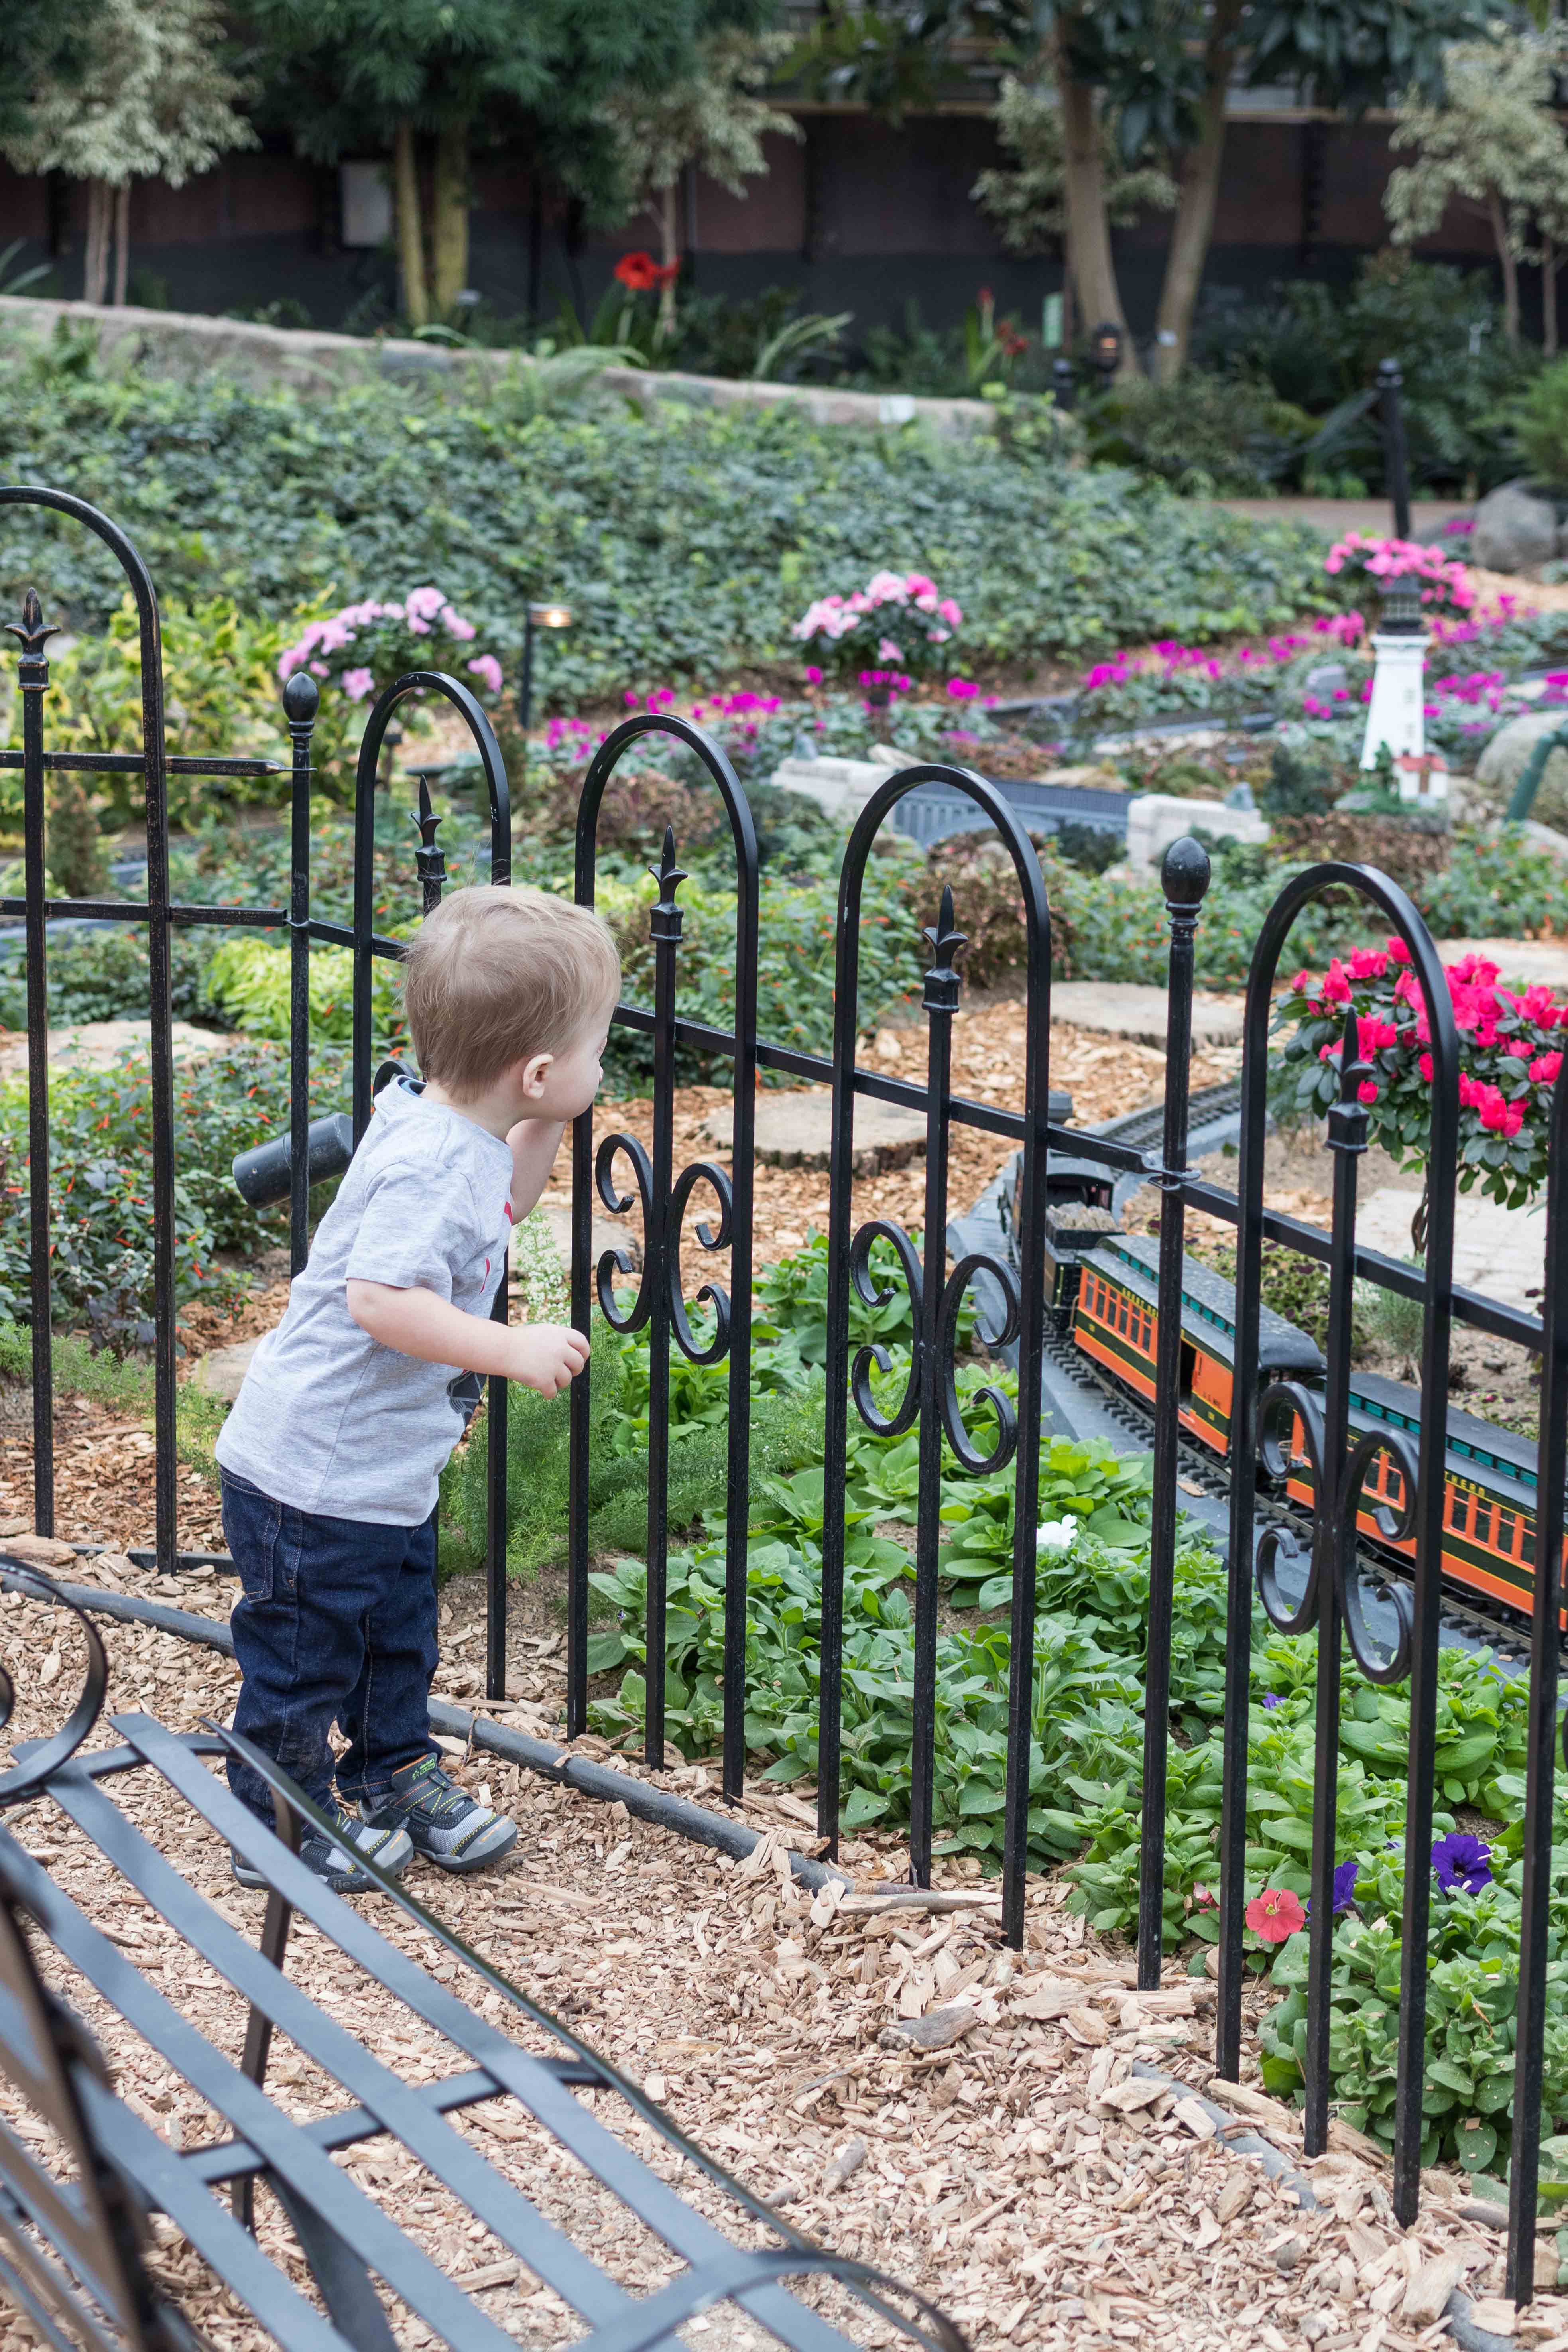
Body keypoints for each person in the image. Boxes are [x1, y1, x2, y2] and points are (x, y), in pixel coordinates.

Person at [214, 883, 618, 1893]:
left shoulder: (451, 1126)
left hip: (380, 1473)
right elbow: (381, 1300)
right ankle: (277, 1813)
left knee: (397, 1638)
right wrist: (508, 1346)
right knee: (304, 1657)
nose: (603, 1063)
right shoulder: (426, 1165)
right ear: (531, 1070)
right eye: (595, 1047)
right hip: (311, 1476)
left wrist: (551, 1117)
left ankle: (392, 1773)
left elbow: (507, 1195)